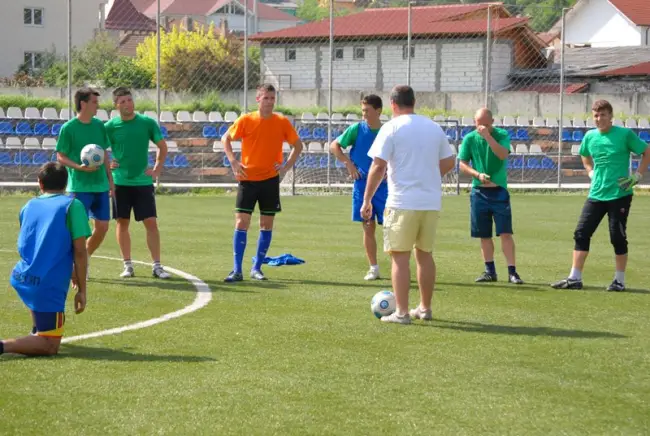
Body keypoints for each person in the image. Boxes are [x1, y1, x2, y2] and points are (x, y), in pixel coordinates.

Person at [362, 85, 456, 324]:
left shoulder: (391, 128)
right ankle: (424, 308)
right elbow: (449, 162)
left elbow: (378, 166)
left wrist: (367, 199)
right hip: (430, 201)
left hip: (403, 201)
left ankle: (402, 312)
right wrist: (428, 176)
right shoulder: (433, 127)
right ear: (414, 102)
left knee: (400, 257)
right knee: (425, 255)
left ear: (393, 104)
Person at [551, 100, 650, 292]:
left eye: (603, 115)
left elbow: (646, 151)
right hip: (596, 194)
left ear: (611, 116)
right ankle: (575, 278)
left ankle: (619, 281)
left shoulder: (624, 135)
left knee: (617, 237)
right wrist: (590, 171)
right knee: (581, 233)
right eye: (596, 115)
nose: (599, 118)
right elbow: (584, 155)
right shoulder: (590, 136)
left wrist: (636, 176)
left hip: (619, 195)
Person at [0, 163, 90, 357]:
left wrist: (71, 272)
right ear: (66, 184)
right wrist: (82, 290)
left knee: (41, 329)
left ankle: (36, 333)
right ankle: (4, 346)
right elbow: (80, 252)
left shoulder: (29, 205)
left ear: (39, 183)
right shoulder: (72, 206)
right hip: (47, 283)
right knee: (49, 345)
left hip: (22, 276)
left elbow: (38, 243)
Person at [222, 84, 304, 282]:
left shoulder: (281, 122)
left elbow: (298, 145)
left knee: (266, 224)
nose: (269, 101)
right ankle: (236, 270)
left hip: (269, 180)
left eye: (272, 98)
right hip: (247, 180)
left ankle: (257, 268)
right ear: (258, 99)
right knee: (242, 222)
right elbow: (226, 138)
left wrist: (285, 167)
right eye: (265, 97)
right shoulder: (246, 120)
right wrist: (233, 161)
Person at [105, 87, 171, 279]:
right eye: (123, 101)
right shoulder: (110, 126)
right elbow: (97, 150)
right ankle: (127, 265)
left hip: (142, 182)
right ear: (116, 105)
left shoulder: (147, 123)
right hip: (120, 182)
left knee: (151, 222)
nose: (128, 104)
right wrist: (108, 164)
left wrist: (157, 170)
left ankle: (157, 266)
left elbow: (162, 146)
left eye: (129, 100)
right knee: (122, 222)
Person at [458, 108, 524, 285]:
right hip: (479, 191)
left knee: (505, 233)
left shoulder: (501, 134)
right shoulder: (469, 138)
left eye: (486, 124)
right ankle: (490, 270)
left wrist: (487, 136)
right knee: (484, 234)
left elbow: (502, 154)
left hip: (499, 191)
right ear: (474, 122)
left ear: (492, 122)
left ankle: (512, 272)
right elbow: (462, 164)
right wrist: (477, 175)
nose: (482, 128)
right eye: (479, 124)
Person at [56, 87, 114, 280]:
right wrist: (79, 168)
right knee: (78, 231)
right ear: (83, 103)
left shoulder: (99, 125)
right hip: (79, 187)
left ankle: (83, 260)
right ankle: (74, 265)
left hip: (100, 185)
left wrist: (110, 180)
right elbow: (61, 156)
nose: (98, 106)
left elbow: (104, 153)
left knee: (103, 227)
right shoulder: (69, 128)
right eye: (94, 102)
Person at [330, 94, 386, 281]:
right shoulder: (356, 129)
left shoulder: (388, 131)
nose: (364, 115)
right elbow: (334, 146)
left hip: (386, 187)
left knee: (392, 228)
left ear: (378, 111)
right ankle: (373, 268)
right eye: (362, 111)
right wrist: (349, 163)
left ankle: (398, 268)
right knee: (368, 226)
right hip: (362, 185)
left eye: (367, 111)